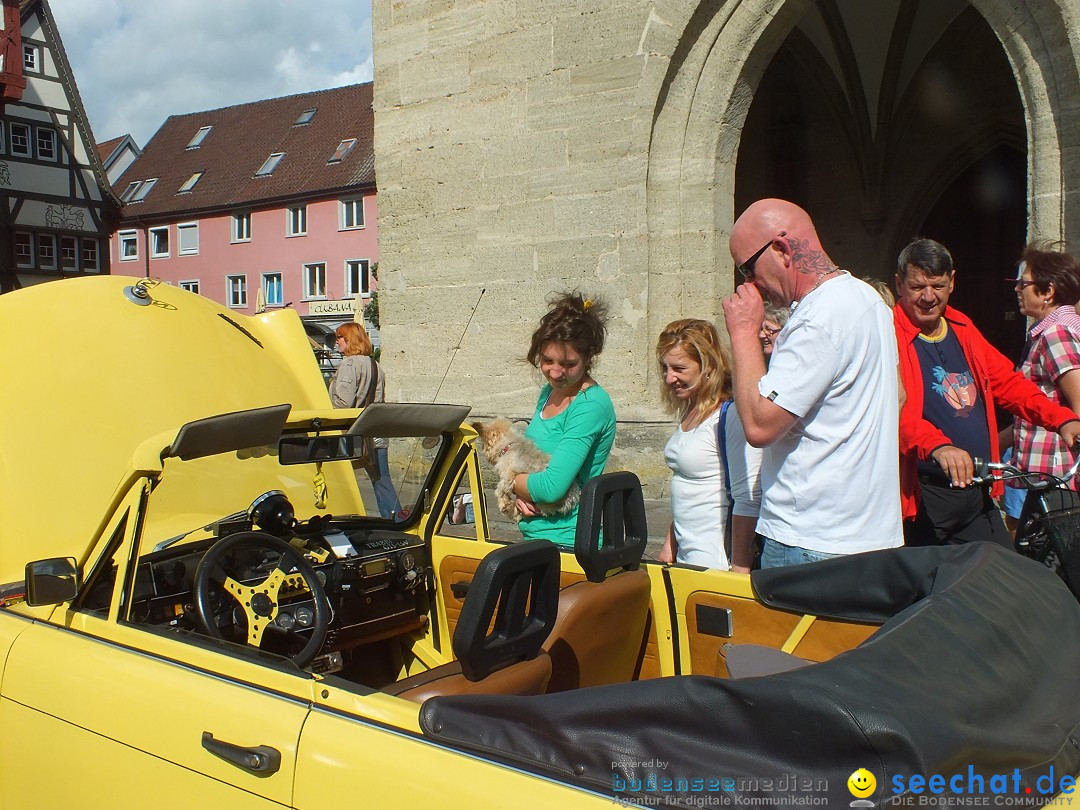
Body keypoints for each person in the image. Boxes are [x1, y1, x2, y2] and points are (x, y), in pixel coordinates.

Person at [722, 198, 902, 567]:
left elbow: (758, 425)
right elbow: (897, 396)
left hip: (810, 538)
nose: (749, 283)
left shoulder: (817, 318)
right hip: (870, 535)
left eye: (747, 269)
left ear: (781, 249)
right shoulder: (870, 301)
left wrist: (743, 331)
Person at [893, 238, 1080, 547]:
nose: (928, 297)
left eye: (938, 286)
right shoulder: (888, 333)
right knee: (927, 587)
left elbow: (1008, 384)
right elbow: (889, 412)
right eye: (917, 287)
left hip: (976, 491)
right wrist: (938, 446)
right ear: (899, 284)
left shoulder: (961, 326)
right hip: (925, 496)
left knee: (1005, 577)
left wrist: (1061, 420)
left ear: (952, 282)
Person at [655, 319, 762, 572]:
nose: (670, 378)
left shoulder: (730, 415)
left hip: (716, 563)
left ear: (708, 366)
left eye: (679, 368)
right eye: (665, 368)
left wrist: (739, 569)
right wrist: (670, 541)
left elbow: (748, 498)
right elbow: (691, 485)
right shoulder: (693, 409)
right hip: (687, 557)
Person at [513, 293, 617, 547]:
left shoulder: (590, 406)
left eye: (569, 364)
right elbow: (533, 469)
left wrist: (511, 483)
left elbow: (551, 488)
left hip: (568, 543)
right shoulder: (548, 393)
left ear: (589, 357)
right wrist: (521, 492)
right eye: (547, 361)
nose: (555, 372)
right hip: (536, 539)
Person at [1007, 243, 1080, 526]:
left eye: (1022, 283)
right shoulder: (1057, 331)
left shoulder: (1056, 334)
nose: (1016, 289)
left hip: (1059, 482)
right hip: (1048, 481)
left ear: (1048, 291)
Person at [329, 322, 403, 520]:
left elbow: (343, 404)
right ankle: (395, 521)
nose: (337, 342)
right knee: (381, 480)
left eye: (340, 337)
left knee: (334, 479)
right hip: (375, 433)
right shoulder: (376, 366)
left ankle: (341, 521)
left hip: (351, 434)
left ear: (350, 339)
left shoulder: (349, 364)